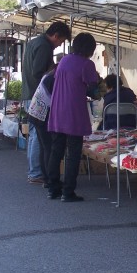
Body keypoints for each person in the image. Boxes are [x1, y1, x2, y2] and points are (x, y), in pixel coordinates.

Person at [47, 33, 100, 202]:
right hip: (74, 111)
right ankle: (68, 192)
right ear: (90, 49)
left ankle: (53, 188)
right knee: (73, 153)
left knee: (56, 151)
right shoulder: (87, 64)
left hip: (57, 108)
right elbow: (93, 90)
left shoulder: (64, 60)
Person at [21, 21, 71, 185]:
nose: (59, 45)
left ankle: (34, 170)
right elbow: (38, 71)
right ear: (55, 35)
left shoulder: (34, 42)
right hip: (38, 96)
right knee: (38, 135)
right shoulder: (44, 46)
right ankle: (36, 172)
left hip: (30, 92)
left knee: (35, 134)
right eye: (61, 41)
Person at [28, 65, 57, 189]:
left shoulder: (49, 75)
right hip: (42, 114)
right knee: (48, 147)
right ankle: (48, 179)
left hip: (36, 113)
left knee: (44, 147)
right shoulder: (54, 78)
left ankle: (44, 177)